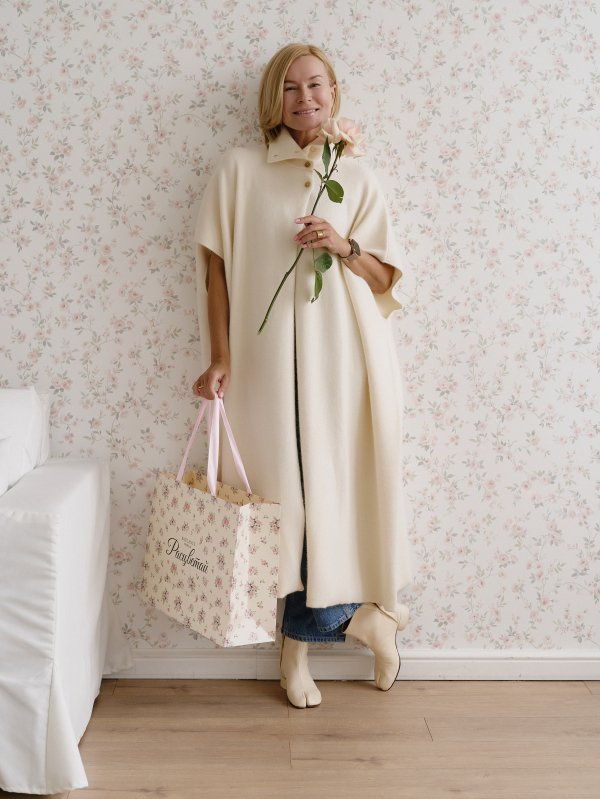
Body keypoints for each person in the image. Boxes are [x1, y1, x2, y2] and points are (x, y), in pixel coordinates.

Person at [192, 43, 414, 708]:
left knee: (338, 495)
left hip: (347, 362)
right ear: (273, 99)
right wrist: (221, 356)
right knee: (281, 507)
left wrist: (341, 244)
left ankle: (305, 647)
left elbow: (386, 280)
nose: (304, 98)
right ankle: (359, 621)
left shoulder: (356, 176)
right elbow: (216, 273)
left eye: (316, 85)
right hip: (265, 368)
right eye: (289, 88)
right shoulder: (238, 169)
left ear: (334, 92)